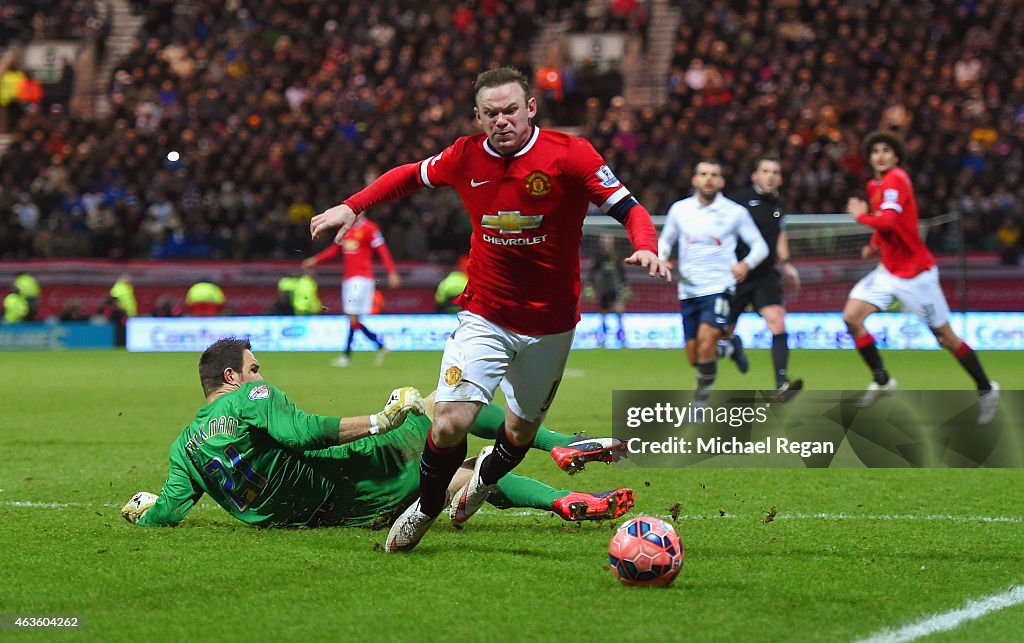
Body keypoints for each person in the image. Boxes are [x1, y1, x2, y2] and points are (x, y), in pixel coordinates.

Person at [309, 67, 670, 552]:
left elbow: (629, 208)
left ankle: (481, 481)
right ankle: (426, 507)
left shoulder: (570, 155)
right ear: (478, 117)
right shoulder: (464, 155)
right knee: (449, 421)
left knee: (519, 435)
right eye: (492, 113)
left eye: (511, 111)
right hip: (485, 315)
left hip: (551, 324)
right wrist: (352, 206)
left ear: (531, 109)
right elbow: (406, 177)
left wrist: (645, 244)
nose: (503, 121)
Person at [121, 338, 633, 529]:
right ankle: (557, 445)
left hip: (340, 514)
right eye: (254, 369)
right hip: (351, 470)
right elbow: (303, 434)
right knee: (450, 411)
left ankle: (565, 503)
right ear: (231, 378)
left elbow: (168, 511)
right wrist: (379, 420)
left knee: (464, 477)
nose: (260, 376)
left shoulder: (183, 446)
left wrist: (144, 512)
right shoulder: (251, 397)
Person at [843, 130, 1000, 423]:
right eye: (876, 150)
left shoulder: (897, 180)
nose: (880, 155)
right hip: (887, 271)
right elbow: (888, 224)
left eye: (886, 150)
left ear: (897, 156)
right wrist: (874, 245)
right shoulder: (874, 184)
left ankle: (986, 388)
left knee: (946, 338)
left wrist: (860, 218)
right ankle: (882, 380)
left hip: (916, 275)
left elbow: (887, 219)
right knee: (852, 317)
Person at [658, 159, 769, 404]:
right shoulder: (680, 210)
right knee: (694, 356)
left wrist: (745, 264)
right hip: (688, 289)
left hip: (719, 286)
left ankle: (699, 404)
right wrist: (662, 258)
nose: (708, 178)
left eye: (714, 174)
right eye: (703, 174)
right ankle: (729, 347)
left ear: (721, 181)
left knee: (707, 340)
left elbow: (760, 246)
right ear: (695, 179)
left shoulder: (735, 212)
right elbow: (665, 241)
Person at [722, 154, 804, 401]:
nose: (771, 176)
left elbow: (780, 235)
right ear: (755, 176)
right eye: (766, 171)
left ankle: (781, 383)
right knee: (721, 334)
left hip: (766, 275)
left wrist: (786, 263)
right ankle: (732, 343)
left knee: (777, 321)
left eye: (776, 172)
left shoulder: (780, 203)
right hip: (737, 275)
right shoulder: (737, 201)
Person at [302, 216, 398, 367]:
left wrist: (391, 272)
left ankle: (348, 356)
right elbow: (334, 250)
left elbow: (382, 250)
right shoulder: (344, 228)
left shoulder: (370, 228)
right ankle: (379, 345)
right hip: (348, 279)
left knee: (352, 317)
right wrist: (316, 260)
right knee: (353, 319)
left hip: (362, 278)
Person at [588, 233, 630, 347]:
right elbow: (592, 272)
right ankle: (602, 337)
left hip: (615, 287)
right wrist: (589, 286)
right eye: (604, 239)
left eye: (608, 239)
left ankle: (621, 336)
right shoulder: (599, 256)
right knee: (603, 312)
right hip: (604, 288)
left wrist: (625, 286)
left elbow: (622, 272)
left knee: (619, 311)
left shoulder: (616, 255)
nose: (606, 241)